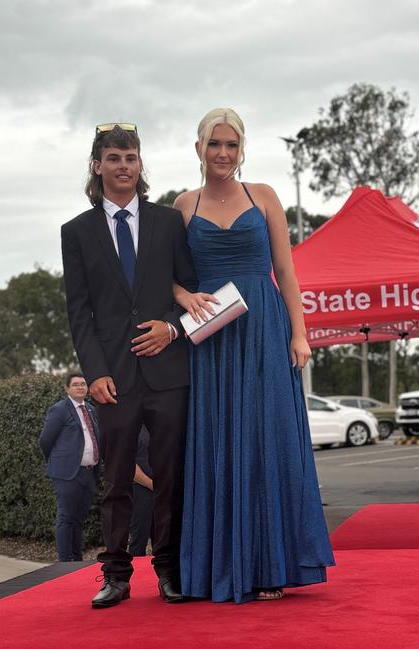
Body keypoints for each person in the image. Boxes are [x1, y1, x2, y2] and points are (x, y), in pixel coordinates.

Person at [172, 107, 334, 603]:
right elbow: (166, 275)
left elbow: (285, 272)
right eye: (215, 144)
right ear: (198, 149)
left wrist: (300, 334)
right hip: (213, 336)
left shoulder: (263, 197)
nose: (223, 153)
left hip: (264, 327)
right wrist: (183, 298)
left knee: (268, 437)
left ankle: (270, 564)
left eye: (232, 145)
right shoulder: (182, 205)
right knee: (219, 439)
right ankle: (220, 565)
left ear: (242, 150)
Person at [61, 123, 197, 608]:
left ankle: (170, 570)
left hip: (169, 373)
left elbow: (190, 290)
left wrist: (172, 327)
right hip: (112, 378)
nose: (123, 166)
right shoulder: (76, 232)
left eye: (131, 157)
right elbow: (80, 312)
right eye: (114, 157)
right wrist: (95, 372)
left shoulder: (168, 222)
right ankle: (115, 575)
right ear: (97, 166)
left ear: (141, 166)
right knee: (116, 480)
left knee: (170, 476)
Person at [39, 372, 101, 561]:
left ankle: (77, 559)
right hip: (66, 473)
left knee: (79, 519)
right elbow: (45, 440)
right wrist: (60, 461)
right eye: (76, 384)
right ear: (67, 389)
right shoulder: (59, 410)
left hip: (88, 473)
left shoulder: (90, 410)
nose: (81, 387)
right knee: (66, 517)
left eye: (83, 384)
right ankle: (65, 562)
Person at [128, 425, 154, 556]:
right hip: (140, 491)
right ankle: (136, 574)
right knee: (139, 539)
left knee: (163, 539)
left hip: (163, 492)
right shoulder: (131, 426)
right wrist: (151, 484)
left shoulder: (159, 424)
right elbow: (127, 463)